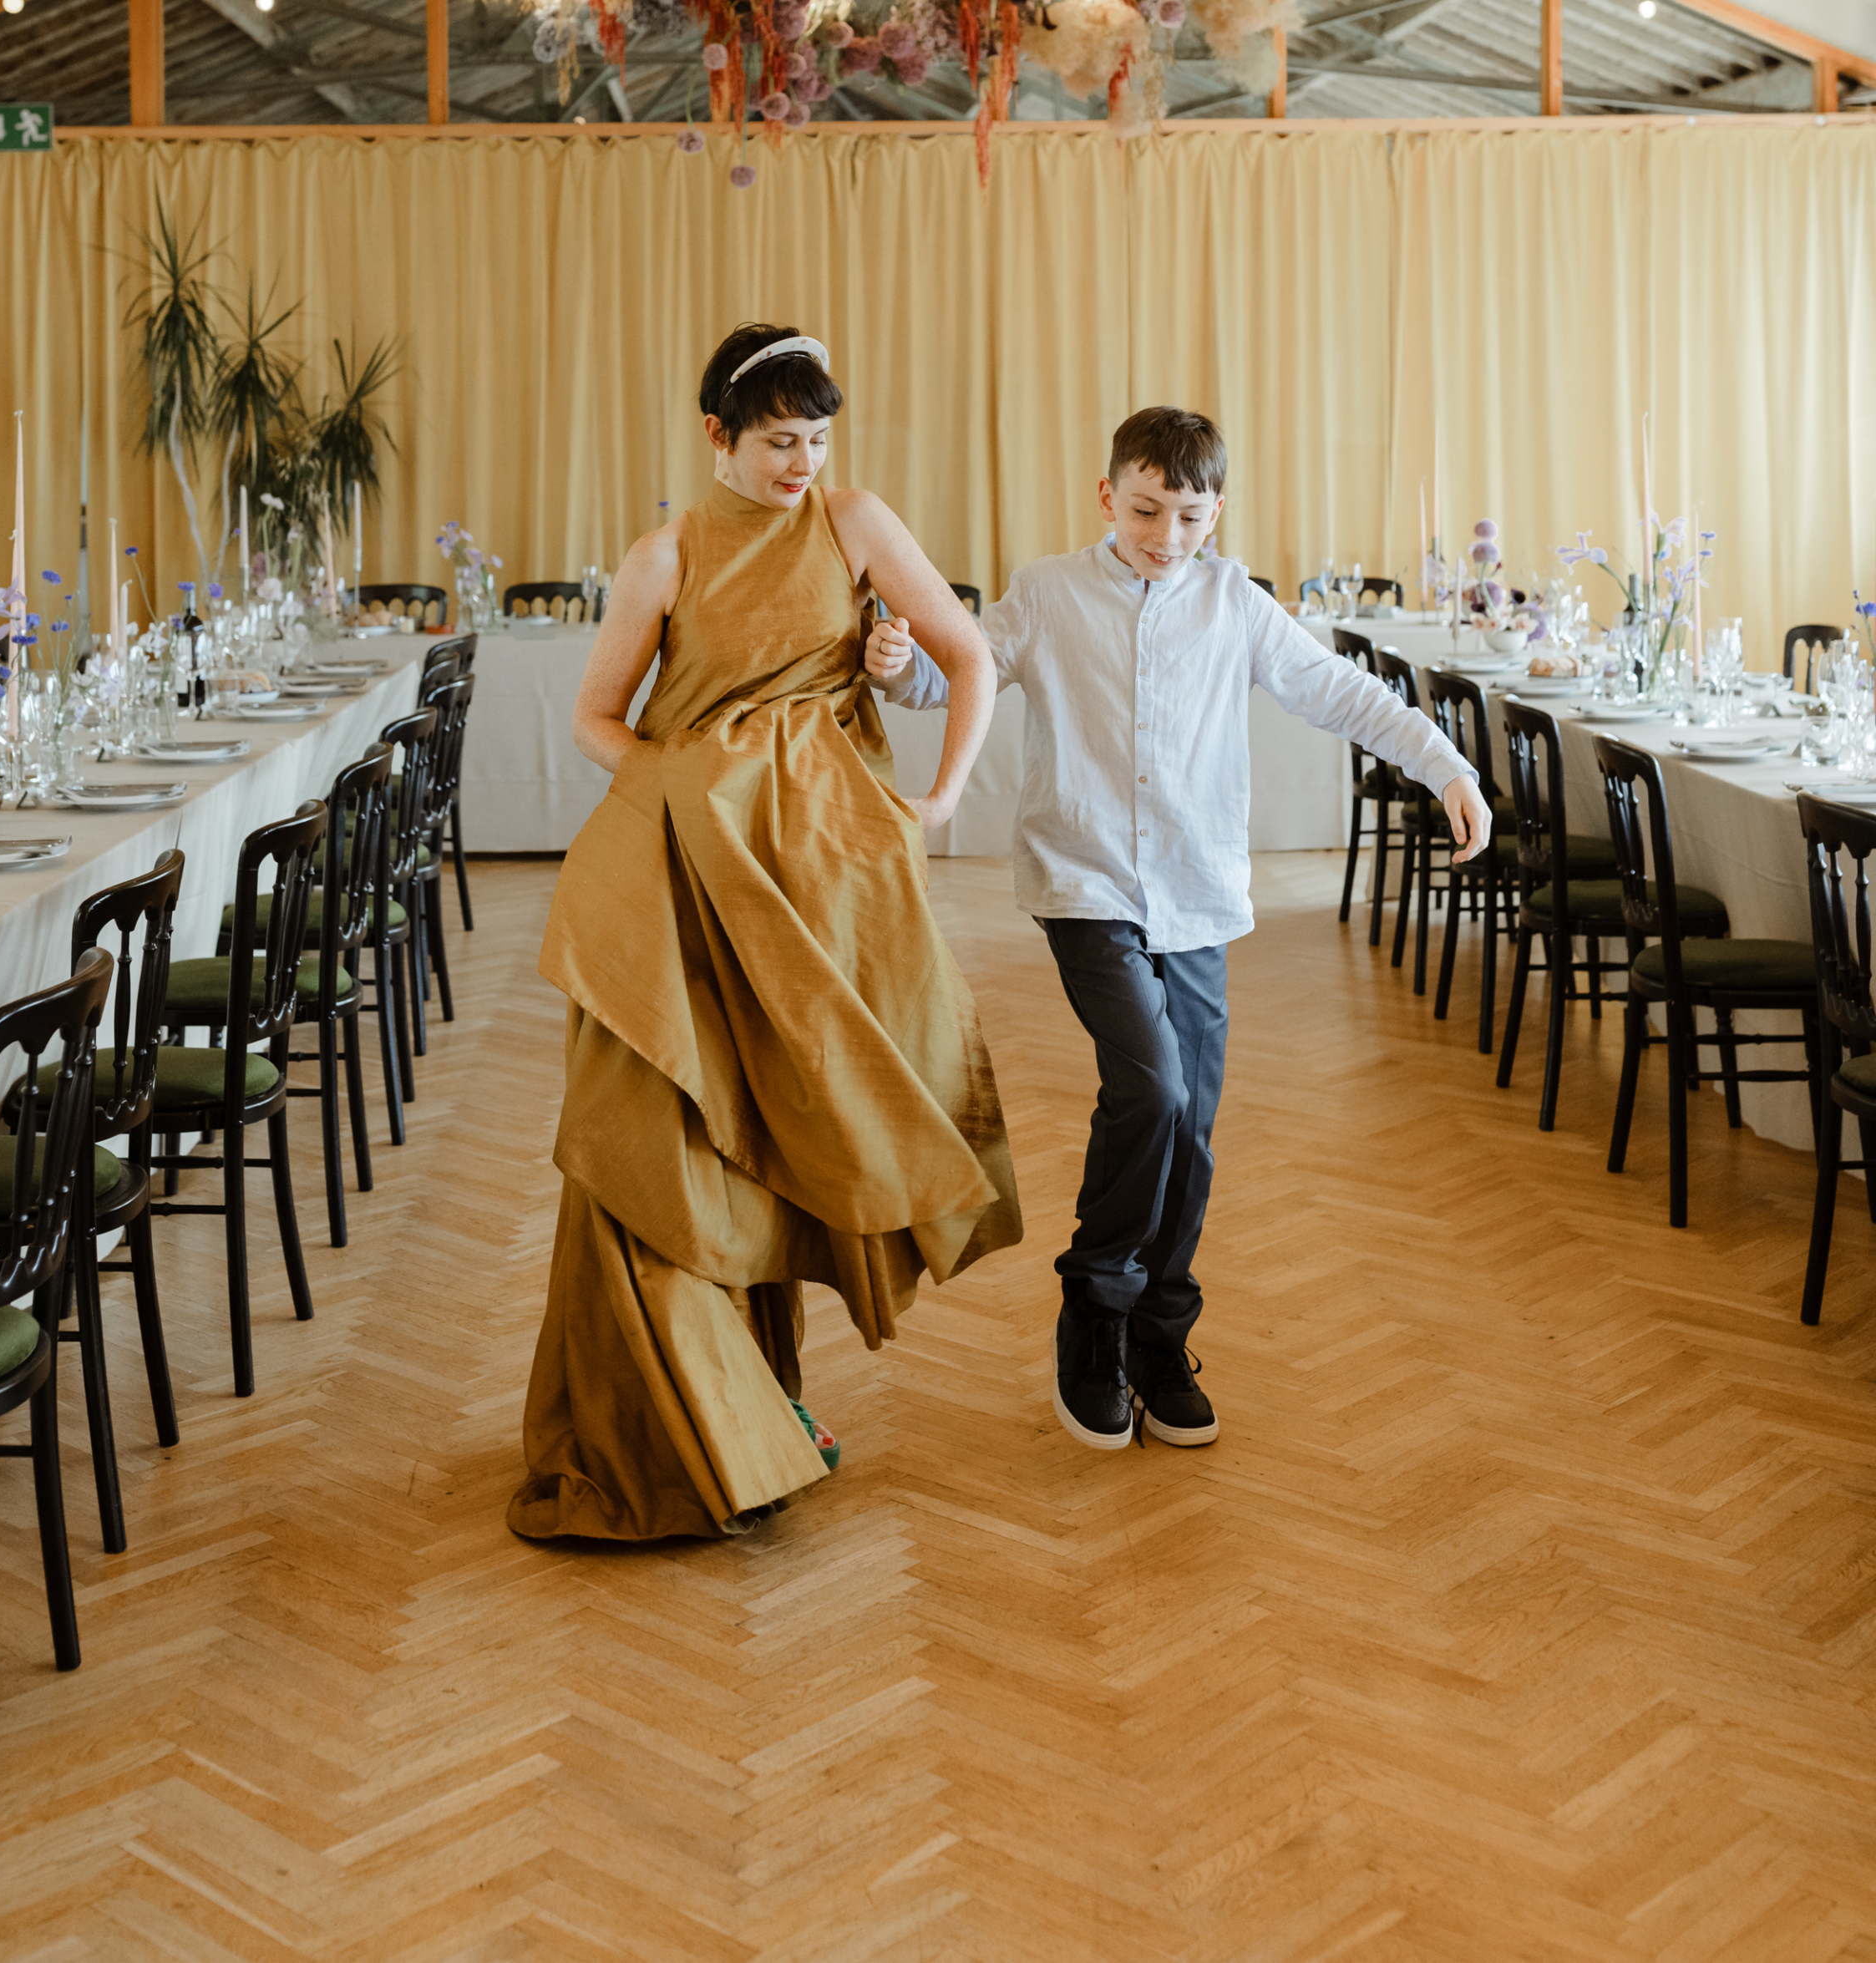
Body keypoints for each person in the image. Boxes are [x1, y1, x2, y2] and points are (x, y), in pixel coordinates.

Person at [870, 405, 1491, 1458]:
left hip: (1199, 895)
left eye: (1190, 516)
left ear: (1216, 514)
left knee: (1191, 1126)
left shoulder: (1234, 604)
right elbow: (950, 676)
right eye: (1148, 508)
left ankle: (1160, 1335)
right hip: (1087, 888)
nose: (1167, 534)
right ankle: (1093, 1311)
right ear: (1107, 495)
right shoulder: (1049, 594)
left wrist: (1445, 762)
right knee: (1151, 1085)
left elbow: (1339, 691)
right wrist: (895, 663)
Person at [507, 322, 1022, 1545]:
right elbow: (595, 719)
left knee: (779, 1133)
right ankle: (673, 1431)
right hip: (682, 874)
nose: (803, 463)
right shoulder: (664, 555)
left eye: (819, 440)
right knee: (660, 1132)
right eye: (780, 441)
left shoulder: (854, 522)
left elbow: (966, 652)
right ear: (717, 438)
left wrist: (939, 800)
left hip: (819, 886)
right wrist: (695, 804)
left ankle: (761, 1407)